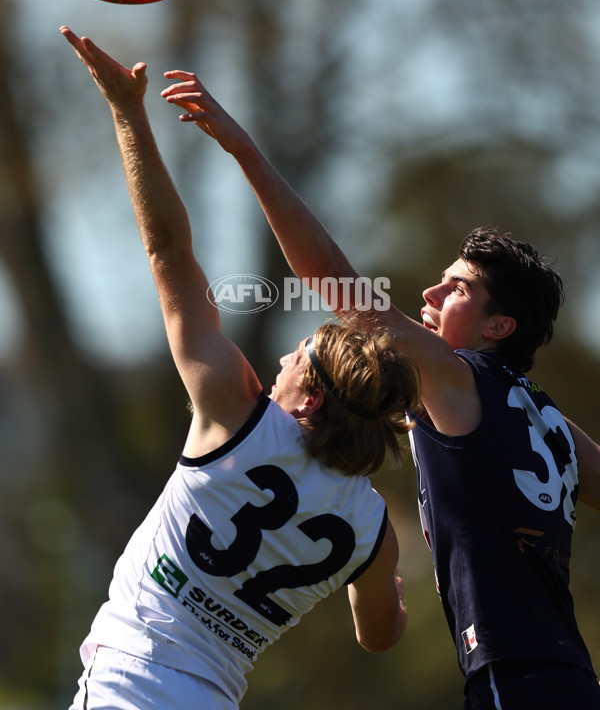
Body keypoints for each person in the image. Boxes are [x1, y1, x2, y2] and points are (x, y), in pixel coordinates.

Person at [159, 68, 600, 709]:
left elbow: (333, 278)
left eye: (459, 289)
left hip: (516, 677)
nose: (430, 293)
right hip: (572, 676)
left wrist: (246, 152)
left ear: (499, 326)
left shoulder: (457, 375)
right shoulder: (550, 420)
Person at [60, 27, 421, 710]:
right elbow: (381, 635)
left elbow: (169, 254)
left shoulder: (238, 416)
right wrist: (390, 590)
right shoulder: (372, 531)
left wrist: (127, 111)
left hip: (128, 688)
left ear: (311, 400)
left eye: (299, 358)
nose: (282, 357)